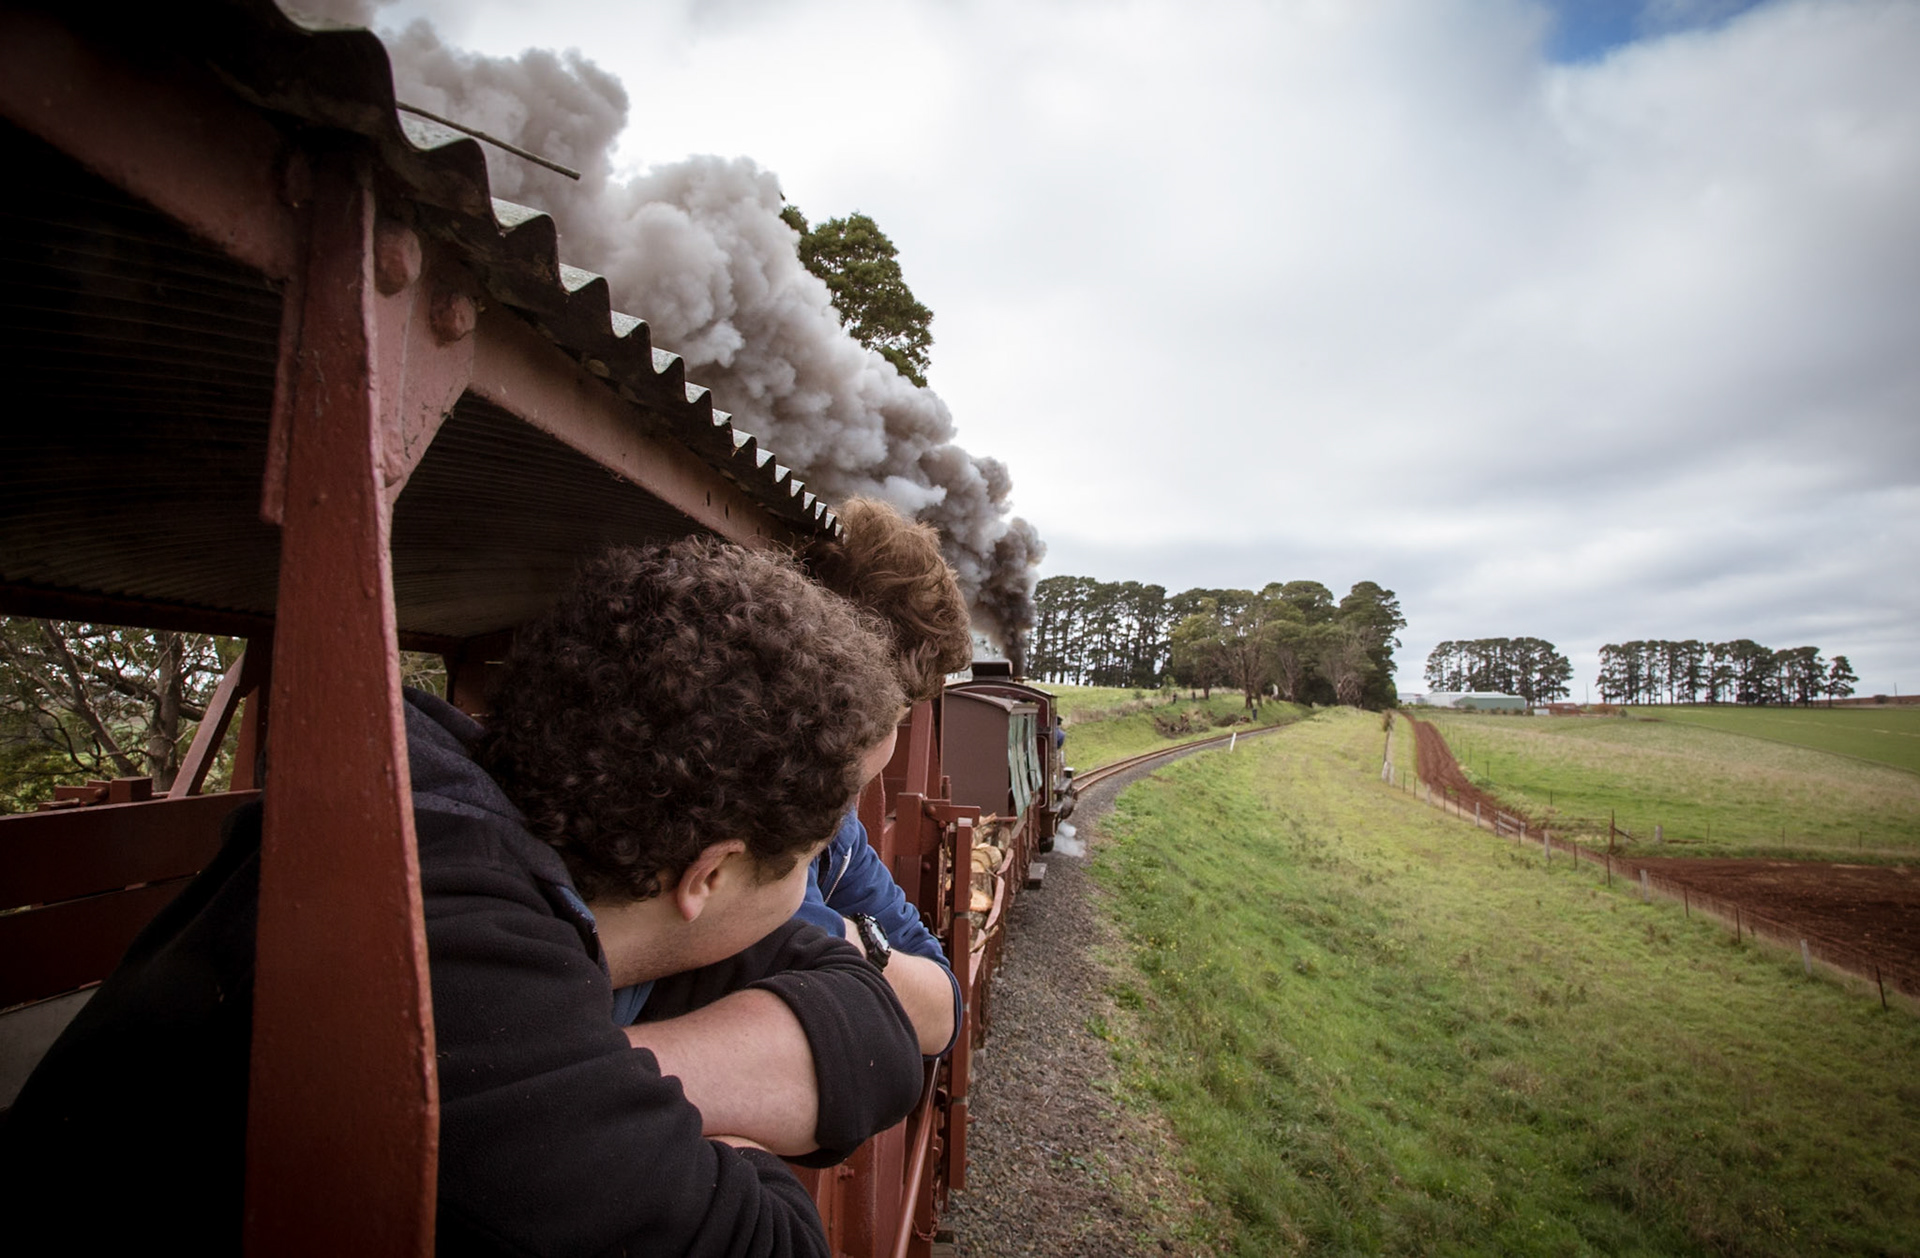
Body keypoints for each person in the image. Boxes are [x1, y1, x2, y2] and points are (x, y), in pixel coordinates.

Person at [1, 539, 925, 1256]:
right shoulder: (428, 943)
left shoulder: (496, 835)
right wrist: (701, 1114)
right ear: (709, 876)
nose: (809, 889)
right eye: (806, 862)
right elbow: (774, 1242)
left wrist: (603, 1070)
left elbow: (877, 1027)